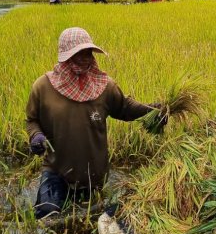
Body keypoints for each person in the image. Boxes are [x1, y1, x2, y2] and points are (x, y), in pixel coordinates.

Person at [26, 27, 163, 218]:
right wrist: (36, 136)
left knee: (94, 217)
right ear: (66, 55)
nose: (85, 57)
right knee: (47, 214)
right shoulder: (43, 87)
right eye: (78, 52)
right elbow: (32, 120)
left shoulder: (104, 87)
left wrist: (152, 111)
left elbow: (125, 108)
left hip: (94, 176)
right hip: (57, 171)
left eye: (87, 52)